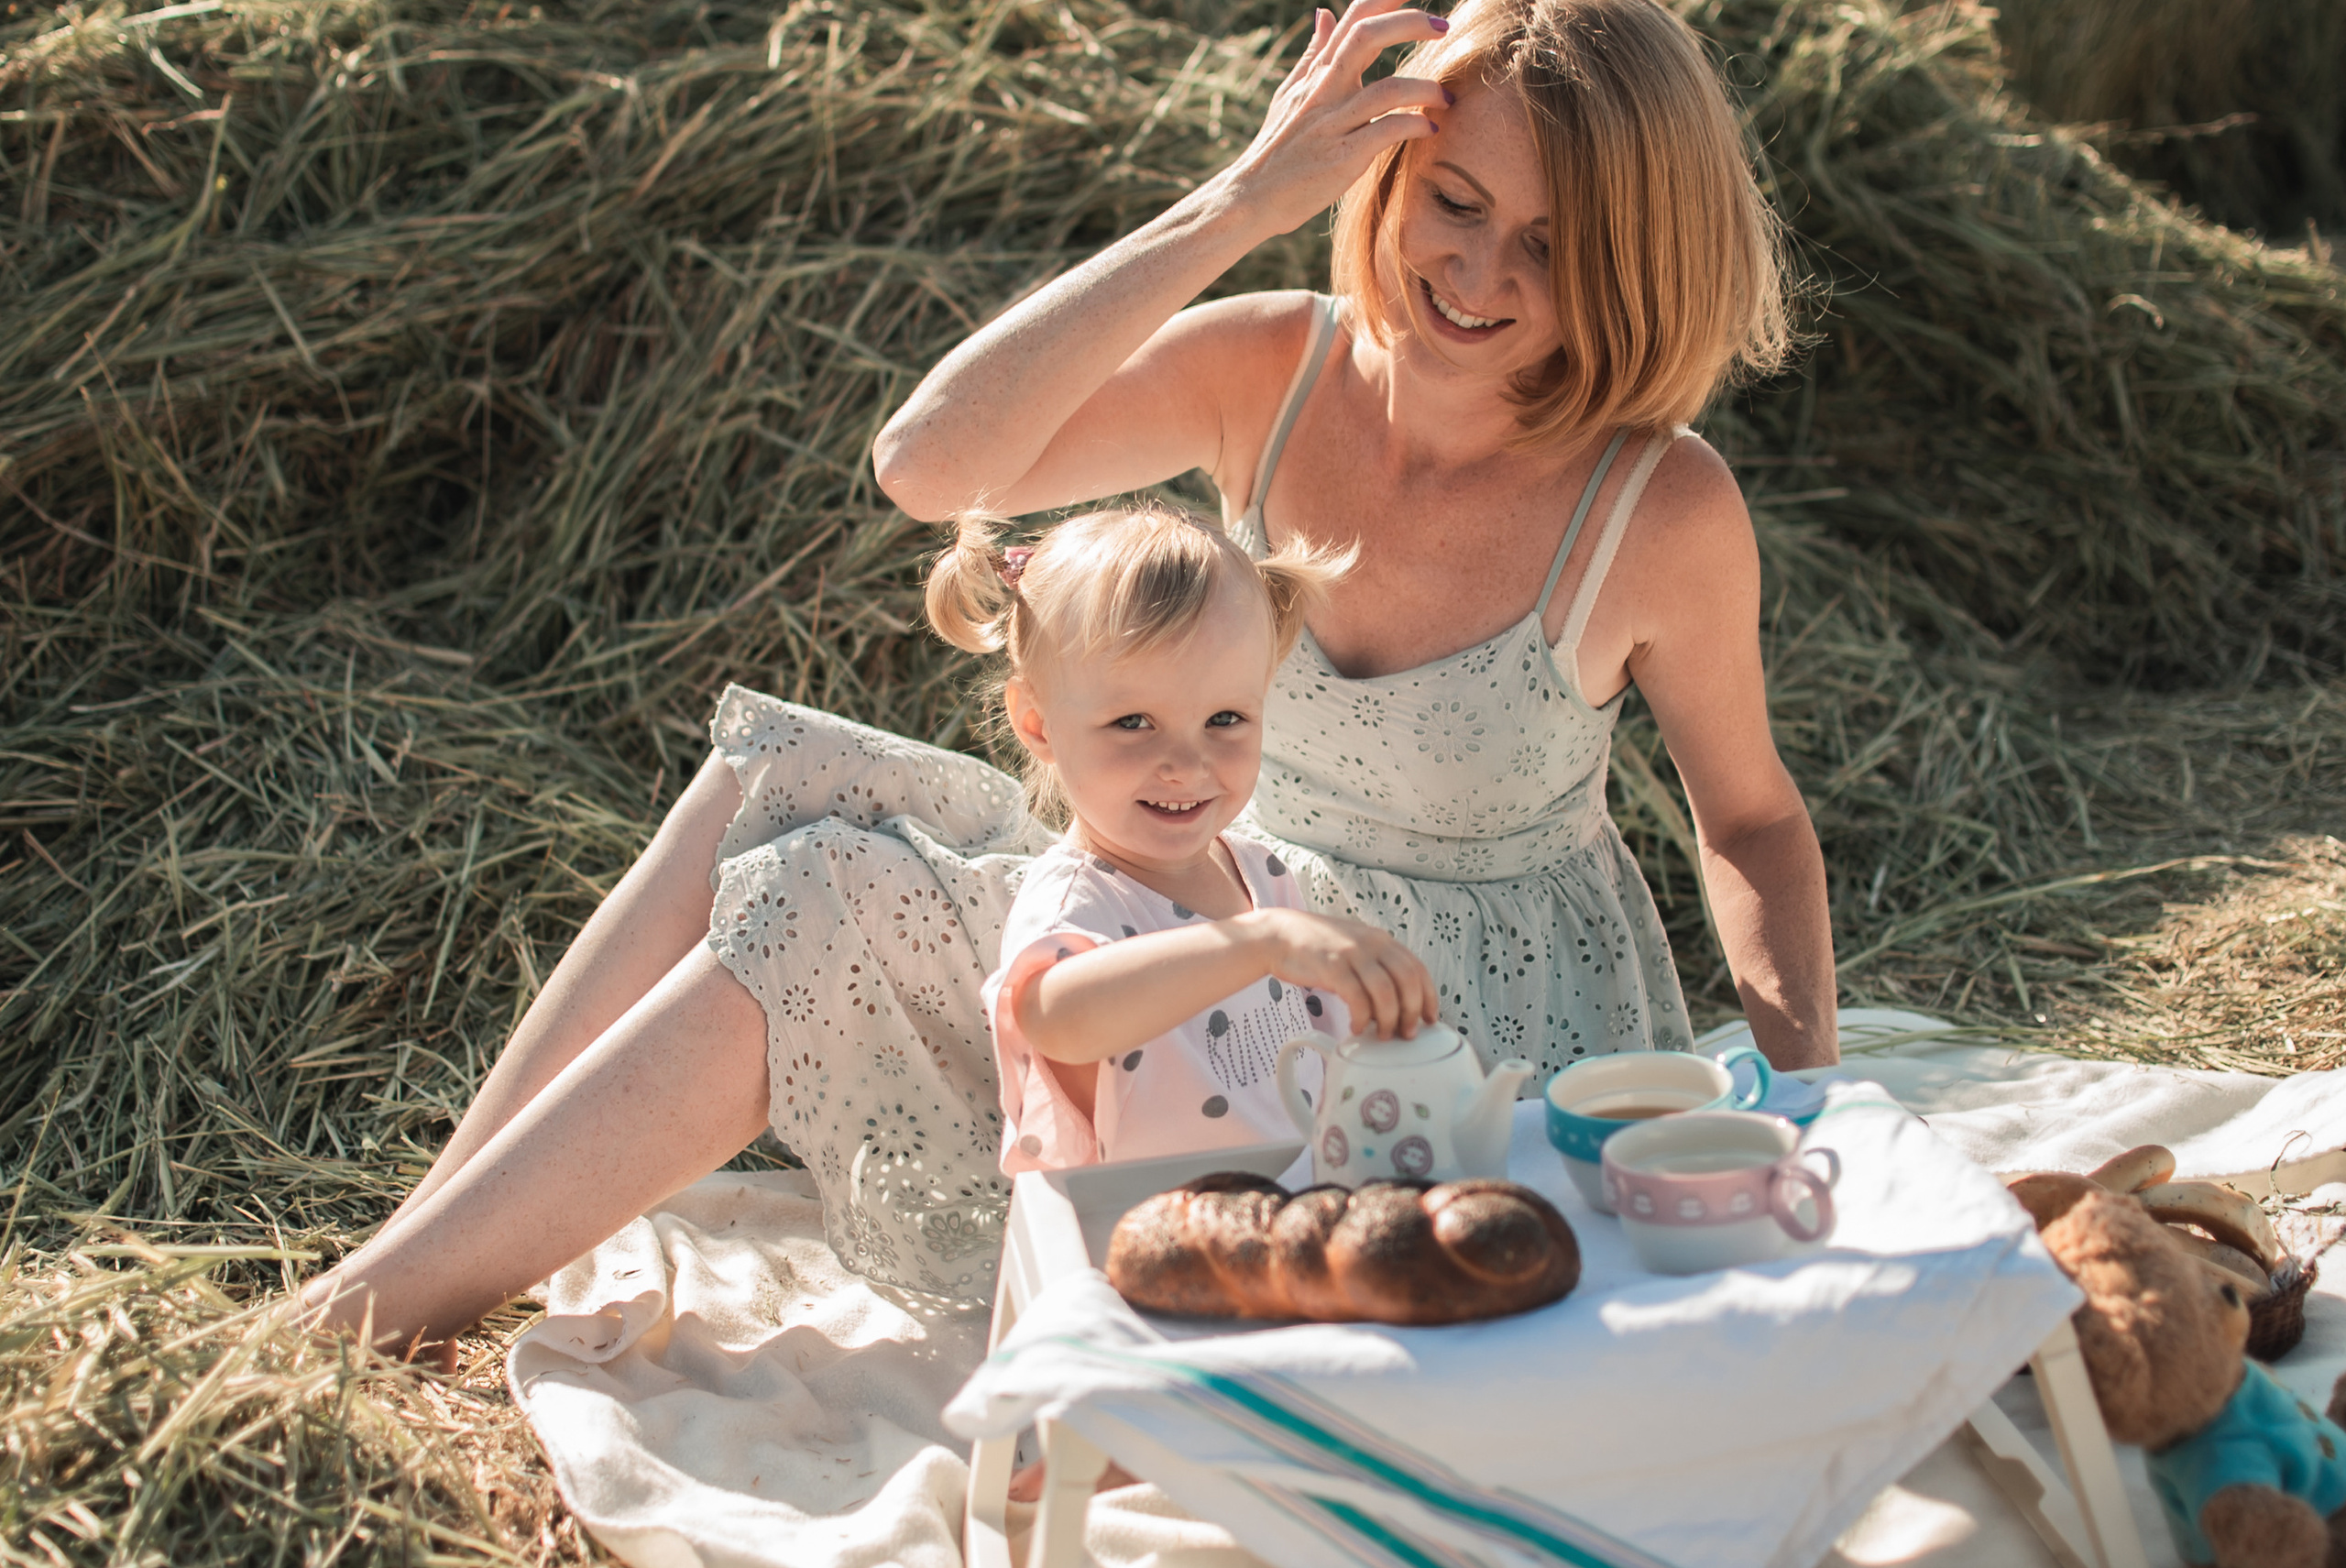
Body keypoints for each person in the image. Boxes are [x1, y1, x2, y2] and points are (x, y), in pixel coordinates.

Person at [305, 0, 1836, 1360]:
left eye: (1553, 247)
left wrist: (1806, 1096)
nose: (1475, 271)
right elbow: (930, 464)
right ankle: (416, 1250)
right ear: (1388, 169)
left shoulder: (1664, 505)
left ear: (1634, 266)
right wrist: (1238, 200)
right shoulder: (1279, 365)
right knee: (780, 783)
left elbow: (1753, 822)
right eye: (1454, 197)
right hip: (1197, 889)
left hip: (1422, 1040)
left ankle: (356, 1322)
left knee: (824, 898)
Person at [929, 503, 1435, 1174]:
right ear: (1039, 723)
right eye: (1134, 721)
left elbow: (1313, 1065)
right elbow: (1056, 1014)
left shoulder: (1261, 877)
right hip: (1141, 1243)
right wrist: (1262, 942)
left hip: (1290, 1216)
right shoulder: (1077, 901)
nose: (1187, 764)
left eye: (1225, 717)